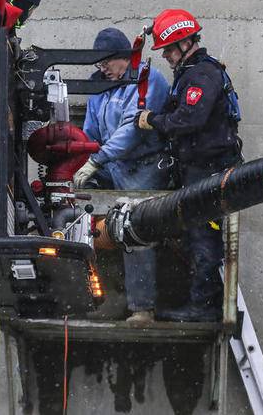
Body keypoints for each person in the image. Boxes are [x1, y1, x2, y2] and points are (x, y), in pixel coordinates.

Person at [135, 9, 242, 322]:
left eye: (168, 48)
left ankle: (204, 307)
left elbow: (189, 119)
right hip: (198, 168)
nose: (166, 56)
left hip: (209, 170)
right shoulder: (192, 73)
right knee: (194, 234)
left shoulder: (201, 75)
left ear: (185, 43)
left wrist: (153, 120)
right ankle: (202, 301)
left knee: (203, 235)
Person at [73, 27, 170, 325]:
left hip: (145, 167)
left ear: (125, 57)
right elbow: (90, 133)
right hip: (112, 166)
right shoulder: (100, 88)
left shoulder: (147, 81)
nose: (103, 69)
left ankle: (142, 309)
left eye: (107, 63)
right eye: (99, 65)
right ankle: (99, 298)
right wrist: (80, 161)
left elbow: (132, 130)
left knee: (133, 224)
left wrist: (96, 160)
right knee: (78, 216)